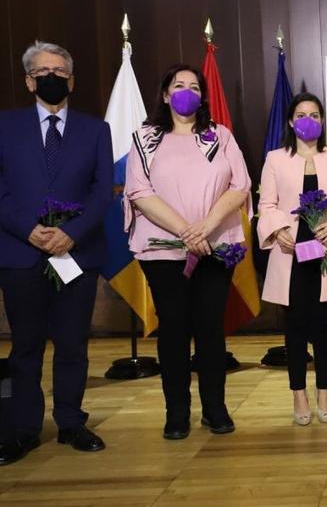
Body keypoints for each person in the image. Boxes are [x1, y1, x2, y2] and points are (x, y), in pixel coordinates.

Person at [0, 42, 111, 466]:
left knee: (73, 343)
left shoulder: (95, 130)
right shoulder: (3, 125)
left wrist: (69, 233)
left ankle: (71, 421)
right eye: (41, 71)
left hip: (77, 252)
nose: (50, 77)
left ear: (71, 80)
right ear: (28, 80)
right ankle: (23, 429)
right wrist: (30, 231)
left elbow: (101, 188)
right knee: (25, 345)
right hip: (20, 251)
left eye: (59, 70)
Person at [124, 65, 251, 439]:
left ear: (203, 96)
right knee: (174, 328)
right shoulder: (145, 139)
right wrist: (185, 231)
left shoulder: (219, 136)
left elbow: (240, 185)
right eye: (178, 86)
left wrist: (206, 227)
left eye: (194, 86)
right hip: (162, 249)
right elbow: (139, 192)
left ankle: (215, 408)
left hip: (216, 245)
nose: (186, 92)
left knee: (211, 328)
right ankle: (176, 411)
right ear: (165, 94)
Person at [258, 93, 327, 426]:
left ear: (322, 121)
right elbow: (266, 205)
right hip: (291, 253)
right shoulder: (276, 159)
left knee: (324, 326)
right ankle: (298, 393)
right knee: (294, 326)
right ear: (291, 121)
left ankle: (323, 390)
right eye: (301, 115)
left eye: (315, 115)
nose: (308, 120)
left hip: (325, 250)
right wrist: (277, 230)